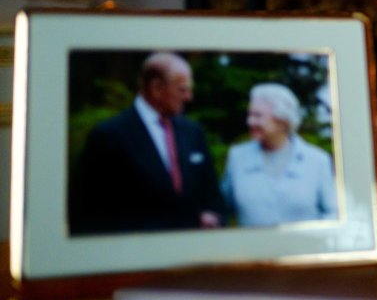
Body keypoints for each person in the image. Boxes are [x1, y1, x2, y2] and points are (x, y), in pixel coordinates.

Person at [70, 52, 224, 234]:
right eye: (182, 89)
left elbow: (212, 194)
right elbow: (87, 211)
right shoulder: (109, 135)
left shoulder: (193, 132)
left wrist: (212, 215)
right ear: (157, 88)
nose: (189, 97)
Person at [222, 82, 338, 227]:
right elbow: (221, 210)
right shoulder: (237, 157)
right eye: (250, 114)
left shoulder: (317, 160)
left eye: (257, 116)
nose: (250, 121)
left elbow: (332, 213)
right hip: (251, 249)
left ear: (282, 121)